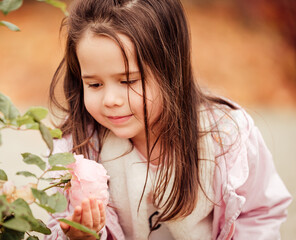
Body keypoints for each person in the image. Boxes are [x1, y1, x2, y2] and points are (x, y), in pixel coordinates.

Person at [45, 0, 292, 239]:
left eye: (129, 81)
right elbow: (56, 225)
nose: (110, 99)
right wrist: (81, 237)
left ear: (171, 69)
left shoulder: (226, 137)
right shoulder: (78, 148)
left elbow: (259, 214)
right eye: (95, 84)